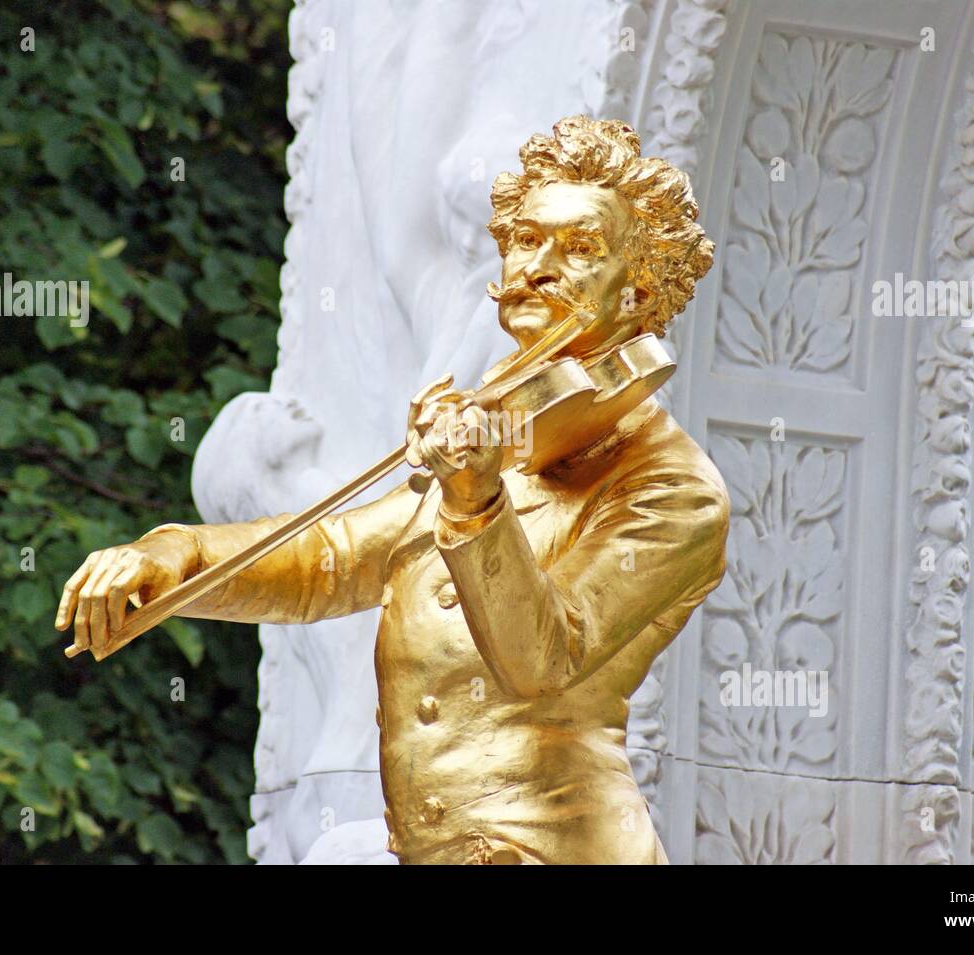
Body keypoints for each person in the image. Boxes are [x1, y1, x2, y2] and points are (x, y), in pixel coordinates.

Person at [55, 116, 729, 864]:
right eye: (527, 239)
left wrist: (474, 502)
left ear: (637, 295)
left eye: (579, 250)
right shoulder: (504, 433)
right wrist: (174, 556)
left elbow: (545, 659)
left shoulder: (672, 488)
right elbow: (326, 559)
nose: (537, 266)